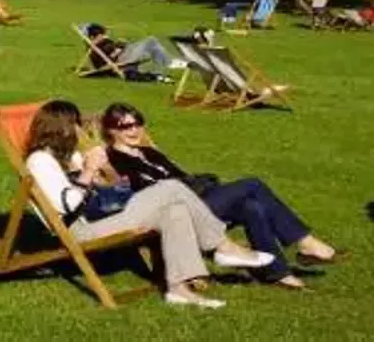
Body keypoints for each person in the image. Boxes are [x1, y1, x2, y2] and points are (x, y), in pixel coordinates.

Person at [26, 100, 274, 309]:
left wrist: (104, 172)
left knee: (174, 210)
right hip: (81, 229)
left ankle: (179, 290)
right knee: (171, 188)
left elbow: (106, 187)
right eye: (75, 125)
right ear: (61, 129)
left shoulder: (71, 156)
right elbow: (67, 208)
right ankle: (223, 246)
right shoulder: (40, 161)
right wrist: (88, 172)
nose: (80, 130)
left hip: (106, 215)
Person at [101, 103, 338, 289]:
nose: (134, 130)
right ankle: (305, 242)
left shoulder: (148, 151)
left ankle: (278, 273)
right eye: (125, 127)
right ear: (111, 131)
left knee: (251, 206)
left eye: (137, 124)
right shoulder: (114, 160)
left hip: (195, 199)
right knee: (252, 184)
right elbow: (140, 194)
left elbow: (183, 177)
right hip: (176, 212)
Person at [84, 23, 185, 82]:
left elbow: (109, 53)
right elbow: (110, 58)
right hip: (122, 59)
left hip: (124, 55)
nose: (104, 36)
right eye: (101, 35)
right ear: (93, 37)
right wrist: (119, 47)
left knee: (154, 48)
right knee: (151, 40)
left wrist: (119, 45)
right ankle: (170, 63)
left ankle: (159, 72)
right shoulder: (97, 46)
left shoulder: (98, 45)